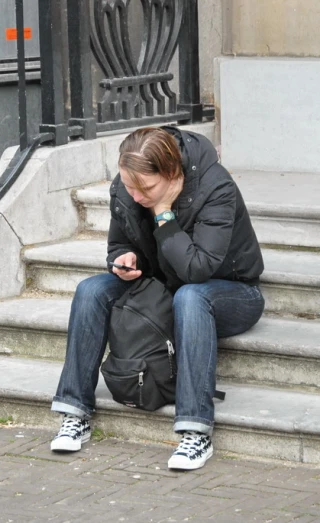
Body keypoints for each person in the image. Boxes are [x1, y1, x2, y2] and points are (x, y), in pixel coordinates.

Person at [50, 126, 265, 470]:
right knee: (91, 290)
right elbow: (119, 244)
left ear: (172, 173)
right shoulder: (129, 186)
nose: (135, 195)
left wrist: (164, 214)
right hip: (163, 285)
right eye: (129, 185)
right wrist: (122, 261)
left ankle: (196, 431)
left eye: (145, 188)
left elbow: (197, 269)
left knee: (191, 297)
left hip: (230, 292)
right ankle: (74, 412)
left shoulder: (216, 188)